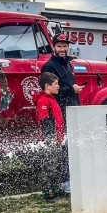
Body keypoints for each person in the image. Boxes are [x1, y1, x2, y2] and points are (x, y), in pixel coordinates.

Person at [41, 33, 84, 194]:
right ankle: (64, 183)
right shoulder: (49, 66)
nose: (62, 49)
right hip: (59, 111)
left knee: (72, 146)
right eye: (59, 46)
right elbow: (50, 91)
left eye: (65, 46)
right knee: (63, 147)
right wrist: (71, 89)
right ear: (53, 47)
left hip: (71, 108)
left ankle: (70, 179)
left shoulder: (67, 64)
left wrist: (74, 90)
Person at [33, 72, 65, 200]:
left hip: (56, 139)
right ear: (47, 85)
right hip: (49, 139)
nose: (58, 86)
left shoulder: (51, 99)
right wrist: (50, 138)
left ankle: (55, 188)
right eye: (56, 84)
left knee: (55, 165)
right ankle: (47, 192)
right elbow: (44, 119)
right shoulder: (44, 100)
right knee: (48, 165)